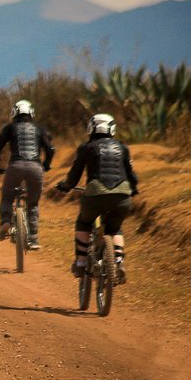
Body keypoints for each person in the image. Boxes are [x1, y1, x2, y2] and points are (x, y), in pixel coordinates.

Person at [55, 113, 138, 284]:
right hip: (122, 196)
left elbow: (74, 176)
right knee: (115, 228)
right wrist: (133, 190)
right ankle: (118, 261)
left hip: (94, 195)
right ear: (112, 128)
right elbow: (132, 176)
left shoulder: (86, 148)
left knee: (84, 223)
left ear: (91, 128)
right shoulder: (123, 148)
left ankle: (81, 261)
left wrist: (65, 186)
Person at [0, 99, 55, 248]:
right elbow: (50, 149)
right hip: (35, 168)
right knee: (33, 202)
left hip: (15, 166)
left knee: (7, 198)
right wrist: (46, 165)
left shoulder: (9, 128)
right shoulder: (40, 128)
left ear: (14, 114)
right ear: (31, 113)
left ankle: (5, 222)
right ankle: (34, 238)